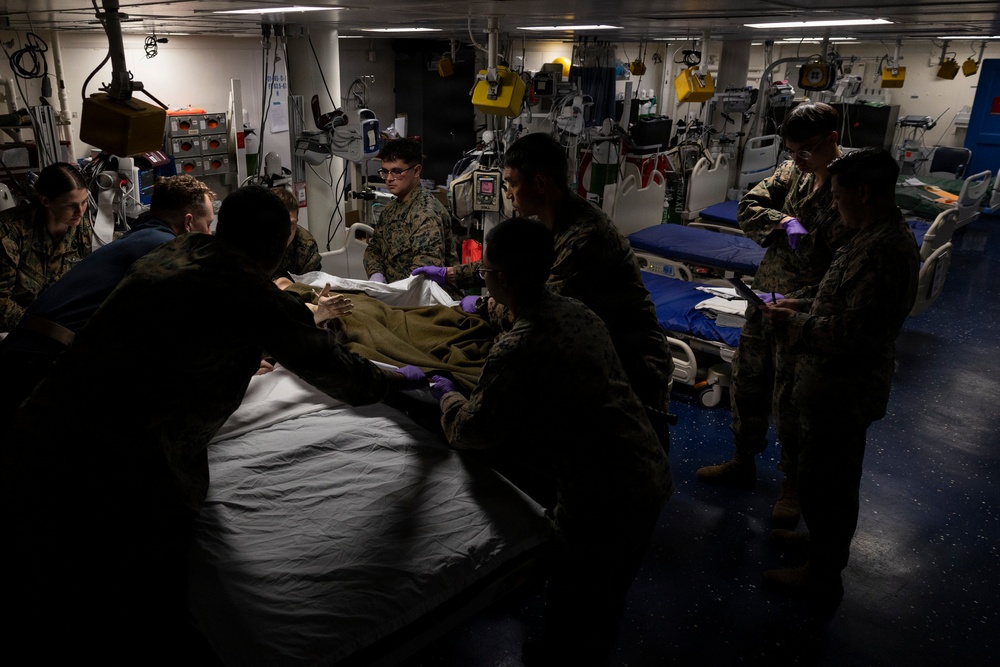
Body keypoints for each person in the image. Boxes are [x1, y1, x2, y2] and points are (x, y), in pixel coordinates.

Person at [1, 185, 427, 659]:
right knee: (131, 608)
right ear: (278, 245)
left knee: (49, 595)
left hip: (39, 429)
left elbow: (192, 327)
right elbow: (339, 374)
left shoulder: (180, 251)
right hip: (113, 473)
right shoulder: (246, 294)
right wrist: (393, 383)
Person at [429, 217, 672, 666]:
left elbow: (470, 432)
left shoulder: (520, 345)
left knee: (577, 596)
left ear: (499, 278)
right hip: (646, 469)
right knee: (605, 597)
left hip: (603, 494)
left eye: (486, 275)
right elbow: (527, 313)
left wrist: (446, 397)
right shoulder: (576, 311)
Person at [414, 132, 674, 447]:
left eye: (511, 182)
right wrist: (453, 274)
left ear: (539, 183)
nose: (507, 193)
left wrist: (481, 306)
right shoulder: (553, 222)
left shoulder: (585, 240)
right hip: (592, 352)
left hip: (630, 363)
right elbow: (516, 264)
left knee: (629, 451)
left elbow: (536, 304)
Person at [758, 147, 919, 611]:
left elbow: (858, 332)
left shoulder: (884, 252)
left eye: (838, 196)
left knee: (832, 482)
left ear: (863, 192)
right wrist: (796, 302)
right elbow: (835, 294)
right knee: (819, 474)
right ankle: (819, 545)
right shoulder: (866, 237)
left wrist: (794, 325)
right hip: (827, 383)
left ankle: (822, 576)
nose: (832, 206)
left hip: (845, 389)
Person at [696, 103, 853, 528]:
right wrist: (784, 221)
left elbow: (855, 254)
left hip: (810, 306)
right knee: (748, 382)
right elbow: (749, 206)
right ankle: (742, 460)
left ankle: (793, 485)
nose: (797, 158)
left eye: (805, 150)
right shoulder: (793, 172)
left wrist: (806, 303)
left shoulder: (851, 183)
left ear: (831, 139)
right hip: (767, 294)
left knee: (793, 400)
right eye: (791, 150)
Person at [0, 174, 216, 423]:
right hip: (39, 365)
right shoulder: (165, 250)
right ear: (188, 222)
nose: (209, 234)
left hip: (22, 351)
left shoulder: (137, 239)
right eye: (208, 224)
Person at [0, 161, 93, 332]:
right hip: (17, 329)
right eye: (70, 205)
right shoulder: (9, 233)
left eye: (84, 202)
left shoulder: (84, 229)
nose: (80, 212)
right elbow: (1, 306)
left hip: (64, 322)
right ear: (45, 201)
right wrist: (50, 328)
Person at [363, 137, 459, 285]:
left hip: (425, 298)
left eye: (396, 171)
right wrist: (376, 274)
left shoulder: (425, 213)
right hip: (396, 294)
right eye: (385, 172)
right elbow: (373, 250)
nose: (389, 178)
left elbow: (424, 273)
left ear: (416, 170)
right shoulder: (391, 209)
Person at [270, 186, 322, 280]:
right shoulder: (248, 244)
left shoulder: (305, 245)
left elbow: (311, 287)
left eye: (291, 224)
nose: (286, 232)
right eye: (279, 223)